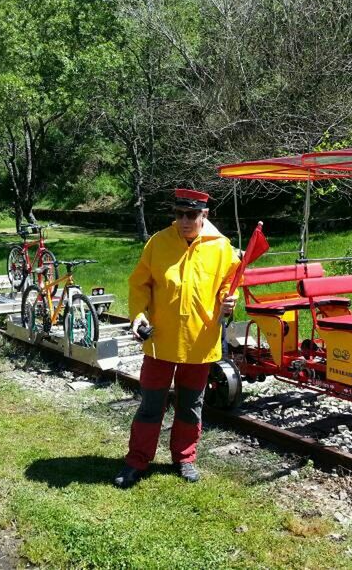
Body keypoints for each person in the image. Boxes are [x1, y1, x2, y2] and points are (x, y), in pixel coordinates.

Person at [113, 189, 240, 488]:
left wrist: (228, 300)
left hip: (200, 341)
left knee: (190, 406)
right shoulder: (158, 242)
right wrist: (137, 315)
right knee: (150, 405)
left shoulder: (222, 248)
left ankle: (184, 458)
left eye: (191, 215)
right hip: (161, 341)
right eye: (179, 214)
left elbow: (228, 284)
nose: (184, 221)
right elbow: (139, 284)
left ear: (204, 215)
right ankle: (136, 460)